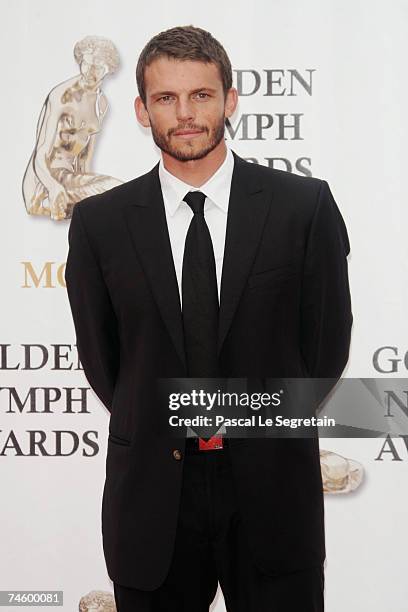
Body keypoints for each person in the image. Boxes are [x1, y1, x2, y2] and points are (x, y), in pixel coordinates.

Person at [64, 25, 353, 611]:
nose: (186, 114)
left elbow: (324, 351)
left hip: (272, 489)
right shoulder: (100, 224)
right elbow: (106, 363)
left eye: (201, 95)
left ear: (230, 100)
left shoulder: (303, 207)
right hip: (153, 499)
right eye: (166, 98)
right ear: (143, 111)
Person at [22, 35, 122, 221]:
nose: (90, 72)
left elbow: (84, 161)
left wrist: (88, 201)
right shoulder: (61, 96)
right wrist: (52, 187)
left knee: (121, 192)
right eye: (86, 64)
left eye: (98, 67)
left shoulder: (101, 104)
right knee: (118, 191)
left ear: (109, 70)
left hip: (69, 181)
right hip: (44, 185)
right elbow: (41, 152)